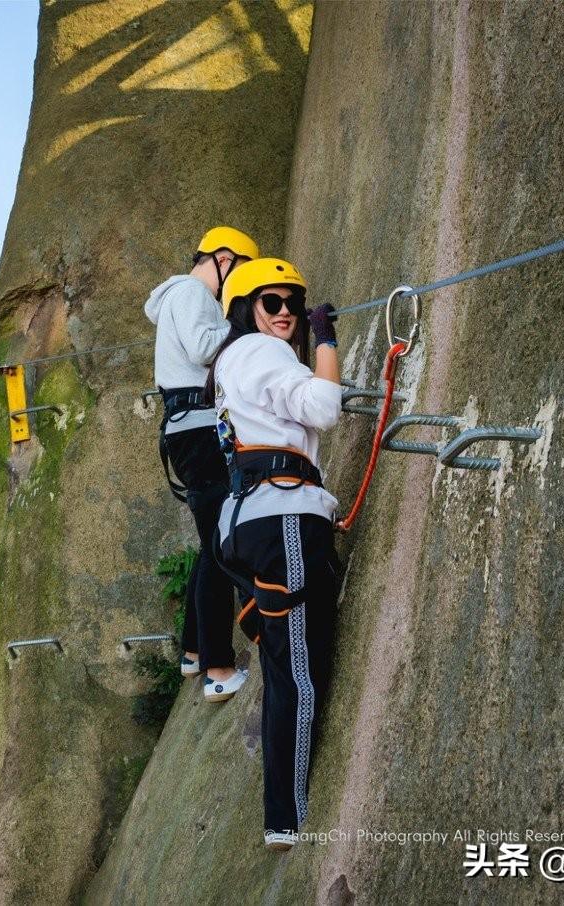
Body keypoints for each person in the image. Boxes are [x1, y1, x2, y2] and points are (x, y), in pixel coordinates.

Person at [205, 257, 341, 852]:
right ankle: (288, 816)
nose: (285, 312)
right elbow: (323, 408)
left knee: (287, 667)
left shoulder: (228, 364)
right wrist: (329, 343)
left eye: (292, 302)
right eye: (271, 301)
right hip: (280, 511)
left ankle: (279, 814)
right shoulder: (262, 352)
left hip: (246, 521)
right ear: (245, 309)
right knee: (299, 673)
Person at [145, 226, 259, 702]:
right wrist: (245, 328)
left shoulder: (178, 295)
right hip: (199, 428)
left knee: (209, 538)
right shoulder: (192, 292)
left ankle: (194, 652)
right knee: (219, 544)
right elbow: (203, 347)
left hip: (186, 430)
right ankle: (218, 667)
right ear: (224, 259)